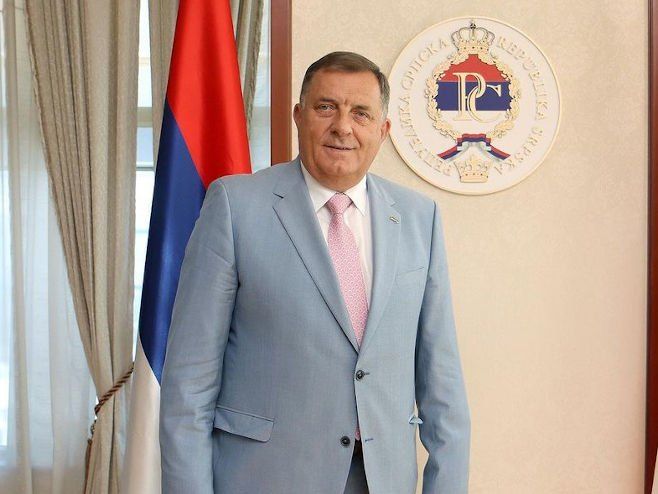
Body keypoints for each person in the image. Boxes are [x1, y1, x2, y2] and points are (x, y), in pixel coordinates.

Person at [159, 51, 470, 494]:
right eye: (326, 107)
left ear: (382, 131)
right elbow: (189, 385)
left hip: (382, 481)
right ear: (299, 116)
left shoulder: (420, 217)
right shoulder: (234, 206)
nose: (343, 126)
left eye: (360, 113)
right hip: (267, 479)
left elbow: (443, 383)